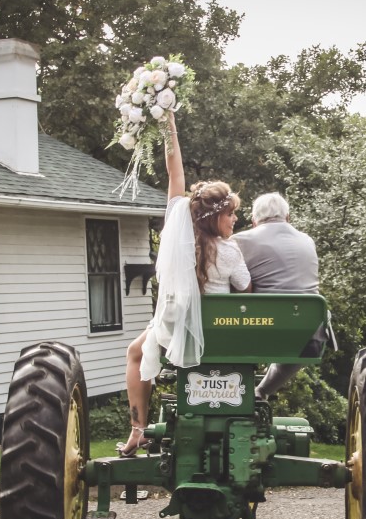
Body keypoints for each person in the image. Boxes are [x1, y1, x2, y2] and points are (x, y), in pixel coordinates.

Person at [119, 113, 251, 456]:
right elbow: (245, 287)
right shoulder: (231, 253)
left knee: (136, 354)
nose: (236, 219)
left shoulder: (180, 233)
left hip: (177, 329)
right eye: (231, 214)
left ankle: (138, 428)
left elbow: (173, 168)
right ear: (215, 217)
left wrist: (167, 121)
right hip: (223, 332)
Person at [232, 192, 328, 400]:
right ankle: (262, 391)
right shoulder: (307, 240)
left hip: (257, 328)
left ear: (254, 221)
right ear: (288, 217)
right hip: (308, 333)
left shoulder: (239, 241)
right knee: (292, 340)